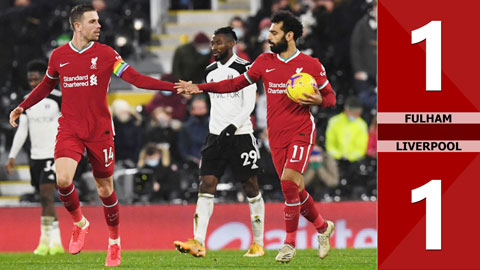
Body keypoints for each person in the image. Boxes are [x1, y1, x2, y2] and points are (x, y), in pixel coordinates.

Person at [9, 4, 177, 267]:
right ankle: (80, 223)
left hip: (100, 131)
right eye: (93, 21)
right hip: (71, 129)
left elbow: (136, 78)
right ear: (77, 26)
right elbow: (45, 86)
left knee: (105, 189)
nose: (99, 25)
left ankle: (114, 243)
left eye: (98, 21)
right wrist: (23, 106)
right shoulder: (59, 56)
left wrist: (172, 87)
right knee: (63, 180)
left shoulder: (107, 54)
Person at [176, 11, 336, 263]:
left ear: (289, 35)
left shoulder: (311, 65)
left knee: (287, 185)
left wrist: (317, 100)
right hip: (276, 135)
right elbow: (234, 84)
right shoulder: (264, 61)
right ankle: (323, 227)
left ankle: (289, 244)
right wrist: (200, 87)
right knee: (297, 189)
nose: (268, 36)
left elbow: (331, 99)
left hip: (302, 131)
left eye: (274, 32)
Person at [173, 27, 265, 258]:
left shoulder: (245, 68)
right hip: (215, 136)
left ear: (232, 43)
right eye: (213, 43)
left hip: (241, 135)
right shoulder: (210, 70)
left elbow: (248, 104)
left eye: (219, 43)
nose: (214, 47)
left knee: (251, 188)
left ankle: (258, 243)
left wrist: (233, 126)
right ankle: (198, 241)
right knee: (206, 185)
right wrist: (219, 129)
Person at [6, 59, 64, 256]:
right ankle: (54, 241)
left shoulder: (58, 99)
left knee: (47, 195)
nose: (32, 84)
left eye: (36, 79)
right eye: (30, 80)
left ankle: (46, 240)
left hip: (52, 155)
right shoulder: (26, 102)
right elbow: (22, 130)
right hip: (35, 156)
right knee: (44, 199)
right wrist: (12, 155)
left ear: (44, 79)